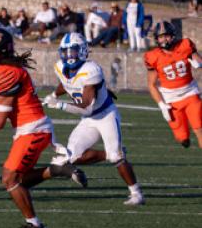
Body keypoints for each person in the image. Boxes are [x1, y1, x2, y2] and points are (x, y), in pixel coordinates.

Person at [0, 26, 87, 228]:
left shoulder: (6, 73)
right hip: (29, 128)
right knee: (21, 180)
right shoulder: (3, 71)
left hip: (33, 130)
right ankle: (55, 170)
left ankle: (36, 226)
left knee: (10, 179)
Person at [43, 33, 145, 206]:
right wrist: (53, 94)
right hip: (88, 120)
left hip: (105, 115)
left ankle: (136, 193)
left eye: (73, 51)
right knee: (72, 156)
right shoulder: (60, 67)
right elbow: (66, 83)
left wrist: (59, 105)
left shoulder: (91, 69)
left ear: (82, 51)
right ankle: (108, 154)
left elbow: (87, 106)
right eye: (66, 52)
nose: (69, 56)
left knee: (116, 157)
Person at [143, 21, 202, 148]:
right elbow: (151, 84)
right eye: (161, 36)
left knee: (199, 128)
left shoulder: (185, 45)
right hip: (171, 99)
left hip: (190, 93)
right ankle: (183, 138)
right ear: (156, 39)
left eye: (166, 35)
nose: (164, 39)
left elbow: (198, 60)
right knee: (183, 138)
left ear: (173, 35)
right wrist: (161, 105)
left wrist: (199, 63)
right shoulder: (152, 56)